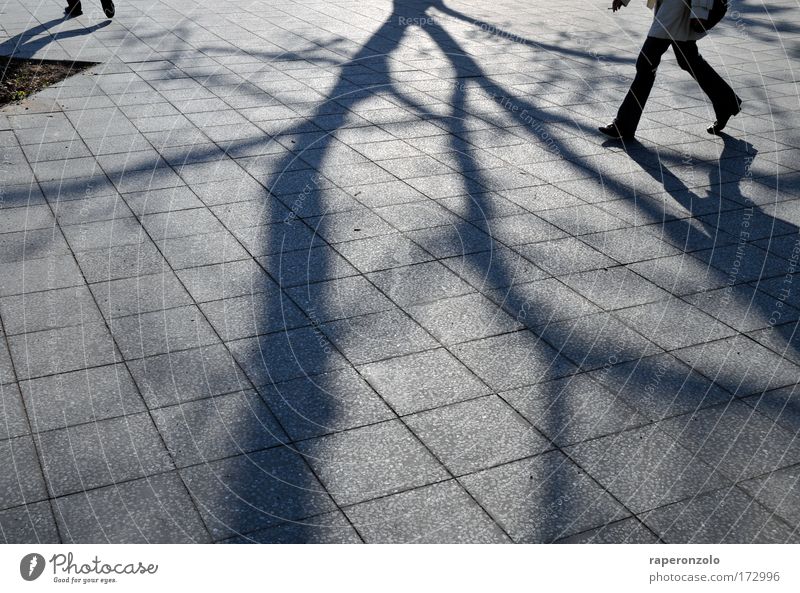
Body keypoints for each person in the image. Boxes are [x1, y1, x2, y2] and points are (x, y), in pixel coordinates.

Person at [599, 0, 741, 140]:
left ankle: (624, 125)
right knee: (688, 60)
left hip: (677, 11)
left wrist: (701, 11)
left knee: (646, 64)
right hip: (674, 10)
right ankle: (727, 102)